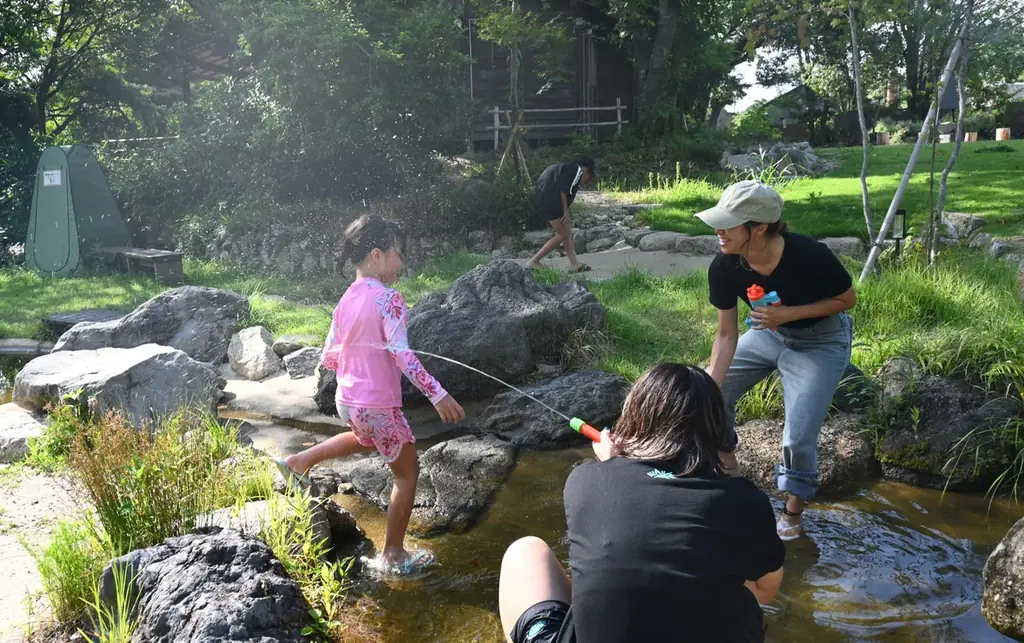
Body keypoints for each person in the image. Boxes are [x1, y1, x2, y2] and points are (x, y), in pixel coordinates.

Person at [498, 363, 786, 643]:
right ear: (716, 430)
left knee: (525, 552)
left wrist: (612, 465)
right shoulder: (748, 501)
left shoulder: (586, 480)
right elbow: (765, 591)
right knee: (741, 576)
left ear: (635, 418)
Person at [276, 214, 465, 575]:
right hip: (376, 403)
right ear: (377, 255)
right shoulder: (389, 298)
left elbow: (330, 354)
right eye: (398, 253)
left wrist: (363, 353)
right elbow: (403, 355)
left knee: (367, 439)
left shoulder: (347, 298)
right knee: (408, 472)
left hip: (348, 401)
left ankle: (298, 462)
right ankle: (393, 554)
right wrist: (437, 395)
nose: (402, 262)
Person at [697, 180, 856, 541]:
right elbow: (726, 335)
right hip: (768, 336)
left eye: (728, 224)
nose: (718, 231)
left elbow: (847, 300)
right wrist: (713, 388)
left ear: (759, 228)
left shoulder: (811, 256)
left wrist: (789, 313)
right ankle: (730, 469)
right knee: (709, 391)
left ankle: (792, 512)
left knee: (798, 436)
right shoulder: (725, 266)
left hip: (822, 340)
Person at [527, 156, 596, 273]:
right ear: (586, 170)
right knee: (562, 233)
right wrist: (565, 211)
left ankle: (574, 263)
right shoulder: (577, 171)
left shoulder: (564, 168)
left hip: (543, 198)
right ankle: (534, 261)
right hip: (551, 199)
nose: (586, 181)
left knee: (566, 227)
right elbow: (563, 190)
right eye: (589, 178)